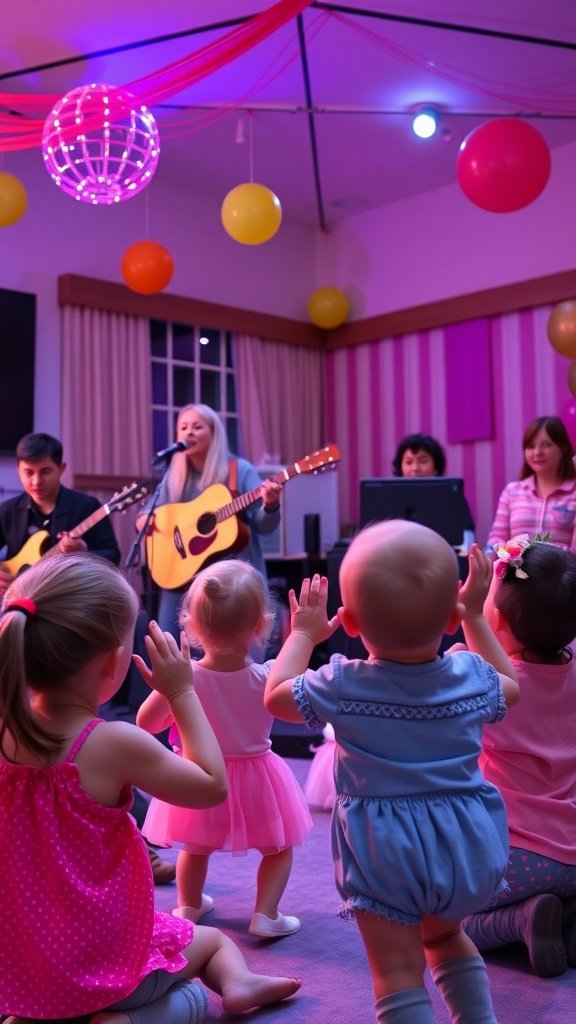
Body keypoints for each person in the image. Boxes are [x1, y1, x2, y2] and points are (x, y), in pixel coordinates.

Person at [0, 553, 301, 1022]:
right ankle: (198, 997)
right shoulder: (110, 743)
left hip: (23, 968)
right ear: (117, 659)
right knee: (212, 948)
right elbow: (211, 785)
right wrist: (182, 692)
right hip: (104, 958)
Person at [263, 521, 519, 1024]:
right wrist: (473, 617)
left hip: (386, 853)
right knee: (447, 937)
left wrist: (300, 635)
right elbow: (510, 683)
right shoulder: (470, 676)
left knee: (399, 971)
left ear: (352, 623)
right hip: (466, 842)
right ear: (449, 616)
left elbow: (275, 697)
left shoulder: (341, 683)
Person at [136, 559, 312, 938]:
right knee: (277, 849)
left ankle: (189, 904)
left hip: (200, 776)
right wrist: (302, 638)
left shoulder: (188, 679)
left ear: (191, 625)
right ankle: (266, 914)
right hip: (258, 778)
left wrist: (168, 688)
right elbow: (302, 710)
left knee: (195, 847)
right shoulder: (268, 677)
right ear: (261, 625)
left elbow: (146, 724)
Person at [462, 535, 576, 978]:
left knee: (434, 923)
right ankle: (566, 923)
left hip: (515, 859)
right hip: (573, 853)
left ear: (499, 622)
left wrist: (466, 615)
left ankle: (519, 920)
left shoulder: (484, 682)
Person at [136, 404, 282, 641]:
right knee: (167, 645)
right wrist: (144, 519)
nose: (188, 432)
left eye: (197, 426)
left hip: (233, 582)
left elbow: (264, 526)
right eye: (183, 427)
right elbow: (148, 511)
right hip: (181, 577)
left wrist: (271, 504)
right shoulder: (174, 475)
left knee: (235, 652)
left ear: (214, 433)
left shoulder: (239, 470)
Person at [0, 431, 121, 576]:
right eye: (28, 473)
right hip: (17, 596)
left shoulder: (87, 507)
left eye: (45, 472)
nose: (36, 481)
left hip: (69, 595)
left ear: (61, 469)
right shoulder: (9, 510)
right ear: (18, 470)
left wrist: (83, 554)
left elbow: (113, 557)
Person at [487, 414, 576, 551]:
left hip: (563, 571)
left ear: (563, 448)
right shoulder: (512, 492)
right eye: (530, 446)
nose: (537, 452)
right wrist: (500, 551)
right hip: (515, 571)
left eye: (546, 445)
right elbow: (496, 538)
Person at [392, 431, 475, 550]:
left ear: (436, 467)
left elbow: (467, 536)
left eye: (423, 461)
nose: (415, 468)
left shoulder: (451, 495)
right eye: (409, 462)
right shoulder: (392, 496)